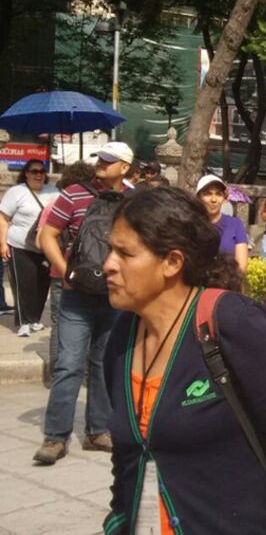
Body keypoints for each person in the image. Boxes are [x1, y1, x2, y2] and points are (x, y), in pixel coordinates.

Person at [99, 186, 266, 534]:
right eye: (110, 249)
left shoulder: (230, 321)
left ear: (172, 262)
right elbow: (126, 456)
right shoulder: (121, 338)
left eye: (124, 254)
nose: (108, 265)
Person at [34, 141, 134, 465]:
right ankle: (55, 436)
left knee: (105, 363)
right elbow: (47, 235)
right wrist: (67, 273)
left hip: (115, 295)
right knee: (69, 363)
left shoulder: (134, 200)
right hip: (75, 294)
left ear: (125, 167)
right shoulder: (73, 193)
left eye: (109, 161)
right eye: (100, 159)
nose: (101, 165)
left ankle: (98, 430)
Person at [35, 161, 96, 380]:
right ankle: (81, 373)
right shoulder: (92, 202)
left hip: (60, 272)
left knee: (59, 324)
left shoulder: (54, 205)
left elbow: (40, 241)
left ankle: (55, 374)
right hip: (77, 273)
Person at [0, 159, 58, 336]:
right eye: (34, 171)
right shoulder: (16, 192)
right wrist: (3, 243)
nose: (39, 174)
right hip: (19, 245)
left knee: (42, 285)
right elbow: (3, 218)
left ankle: (35, 319)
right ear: (26, 173)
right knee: (24, 284)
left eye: (42, 171)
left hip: (45, 247)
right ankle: (24, 321)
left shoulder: (54, 192)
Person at [195, 174, 248, 276]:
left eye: (218, 194)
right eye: (207, 194)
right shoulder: (192, 225)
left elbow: (241, 267)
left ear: (224, 198)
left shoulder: (235, 225)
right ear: (198, 197)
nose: (214, 200)